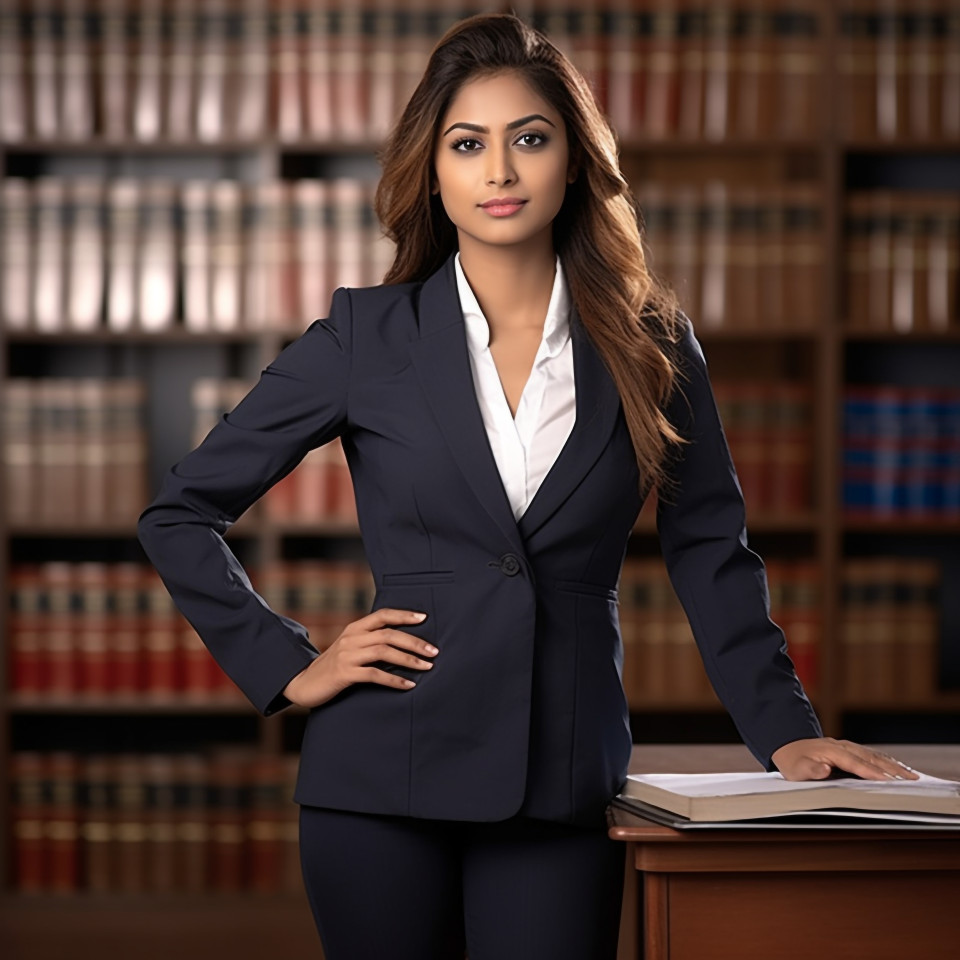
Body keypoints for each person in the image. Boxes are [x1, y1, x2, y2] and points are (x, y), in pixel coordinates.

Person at [137, 11, 919, 960]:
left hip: (559, 781)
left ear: (575, 161)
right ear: (434, 169)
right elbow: (180, 512)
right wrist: (291, 663)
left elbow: (709, 549)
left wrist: (785, 733)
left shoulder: (653, 344)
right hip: (379, 779)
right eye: (468, 145)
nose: (499, 172)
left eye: (530, 139)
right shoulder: (364, 338)